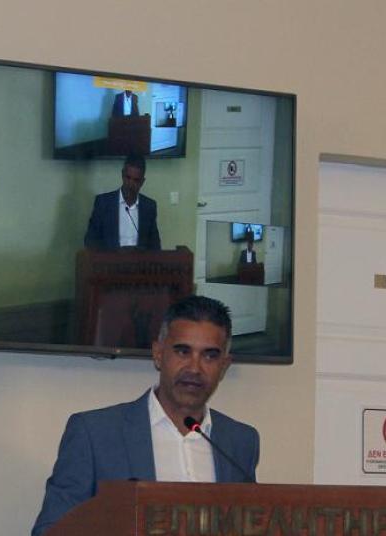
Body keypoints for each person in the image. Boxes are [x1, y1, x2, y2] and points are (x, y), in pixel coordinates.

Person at [30, 296, 259, 536]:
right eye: (183, 352)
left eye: (209, 356)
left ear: (224, 365)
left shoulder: (240, 441)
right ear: (158, 354)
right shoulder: (95, 434)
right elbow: (50, 530)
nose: (195, 368)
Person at [83, 154, 161, 250]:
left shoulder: (149, 206)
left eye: (136, 180)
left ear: (142, 182)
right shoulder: (103, 203)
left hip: (140, 259)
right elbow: (90, 240)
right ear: (122, 175)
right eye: (128, 178)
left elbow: (155, 245)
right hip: (110, 258)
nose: (130, 184)